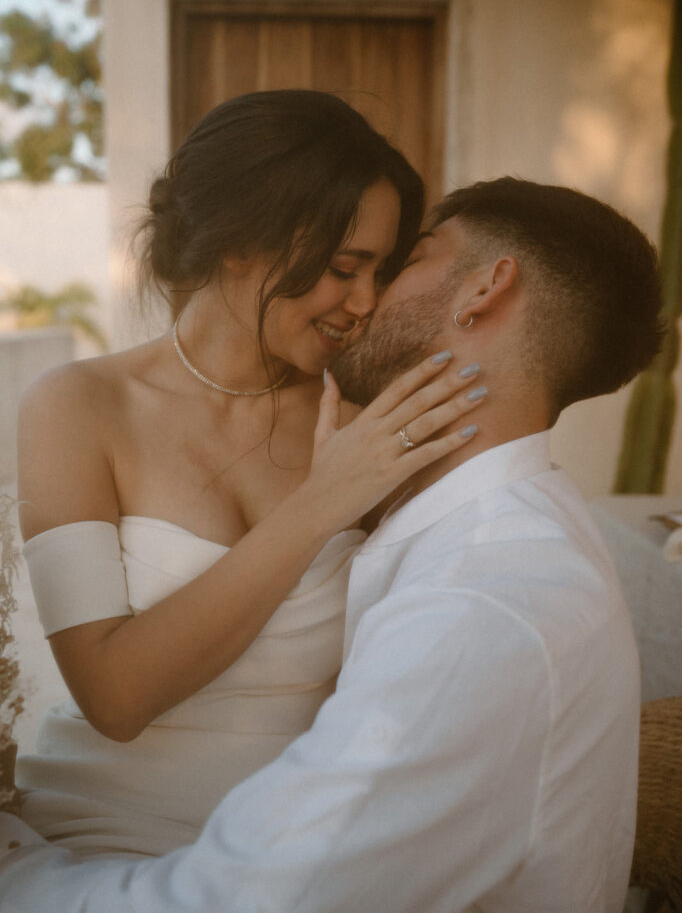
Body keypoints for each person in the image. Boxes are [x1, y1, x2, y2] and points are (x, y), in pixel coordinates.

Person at [0, 177, 663, 913]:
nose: (364, 300)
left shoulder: (483, 606)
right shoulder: (473, 539)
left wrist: (15, 881)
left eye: (408, 261)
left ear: (486, 290)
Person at [13, 89, 486, 858]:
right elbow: (114, 696)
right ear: (238, 241)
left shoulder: (367, 417)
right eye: (342, 267)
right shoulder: (77, 408)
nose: (364, 302)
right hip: (98, 839)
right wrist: (321, 504)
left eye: (381, 271)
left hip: (298, 851)